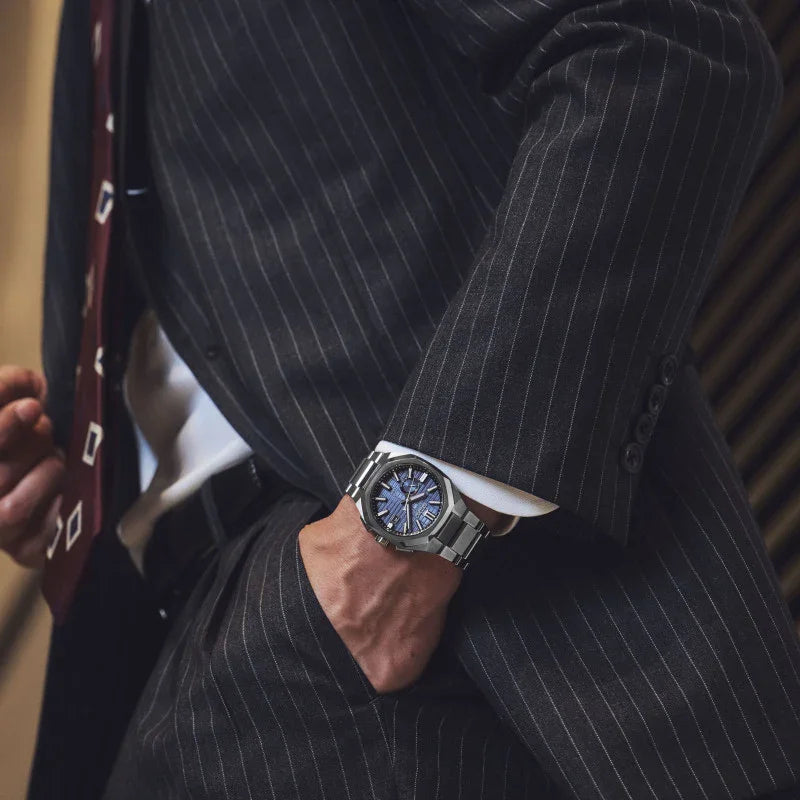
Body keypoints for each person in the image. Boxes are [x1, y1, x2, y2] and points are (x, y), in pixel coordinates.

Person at [2, 0, 799, 797]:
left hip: (411, 638)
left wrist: (408, 535)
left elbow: (662, 50)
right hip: (166, 660)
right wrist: (84, 469)